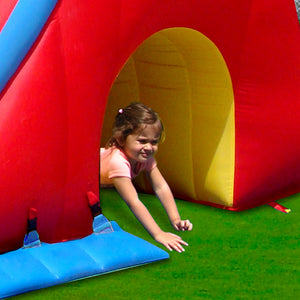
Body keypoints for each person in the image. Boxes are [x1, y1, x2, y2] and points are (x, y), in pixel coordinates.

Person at [100, 102, 193, 252]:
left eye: (154, 142)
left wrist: (175, 219)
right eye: (142, 141)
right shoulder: (117, 162)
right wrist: (158, 234)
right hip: (79, 172)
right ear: (121, 139)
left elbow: (160, 186)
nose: (149, 147)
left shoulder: (145, 157)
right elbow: (133, 201)